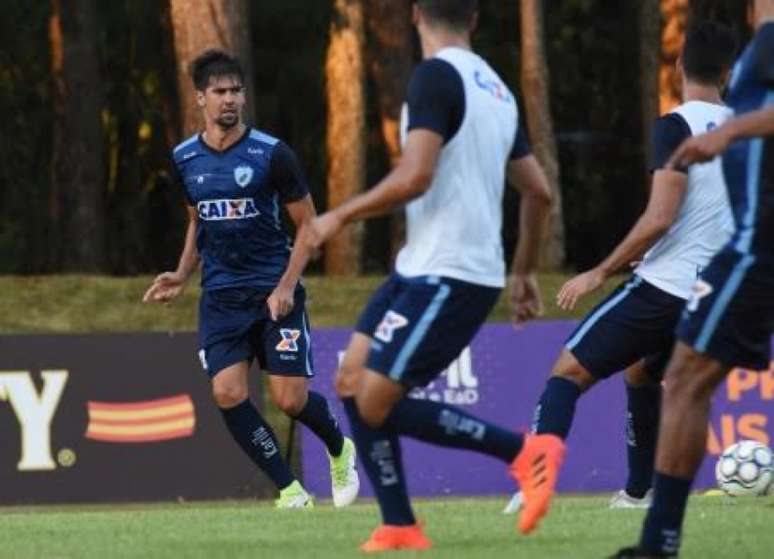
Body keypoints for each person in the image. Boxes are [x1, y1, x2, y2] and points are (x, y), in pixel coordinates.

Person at [286, 0, 554, 550]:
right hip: (422, 268)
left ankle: (525, 453)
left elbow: (416, 176)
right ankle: (399, 523)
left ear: (413, 15)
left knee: (375, 399)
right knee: (350, 382)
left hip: (451, 273)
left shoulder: (434, 77)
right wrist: (523, 272)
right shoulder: (497, 89)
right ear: (475, 18)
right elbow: (538, 191)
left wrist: (338, 215)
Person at [511, 21, 739, 522]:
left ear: (679, 66)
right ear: (726, 72)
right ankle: (639, 492)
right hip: (713, 293)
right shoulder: (743, 130)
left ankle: (535, 483)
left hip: (665, 287)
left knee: (566, 374)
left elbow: (659, 216)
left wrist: (601, 270)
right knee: (640, 372)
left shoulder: (675, 126)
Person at [142, 50, 359, 509]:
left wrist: (284, 287)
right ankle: (290, 490)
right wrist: (183, 273)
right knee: (227, 392)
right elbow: (198, 221)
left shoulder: (272, 154)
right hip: (220, 298)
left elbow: (309, 226)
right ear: (200, 98)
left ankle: (341, 448)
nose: (229, 99)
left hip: (273, 292)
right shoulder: (184, 158)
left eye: (236, 90)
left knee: (290, 400)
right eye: (219, 91)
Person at [614, 1, 774, 556]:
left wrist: (733, 133)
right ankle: (658, 541)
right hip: (747, 243)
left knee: (683, 380)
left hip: (761, 244)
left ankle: (658, 542)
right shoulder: (760, 47)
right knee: (681, 377)